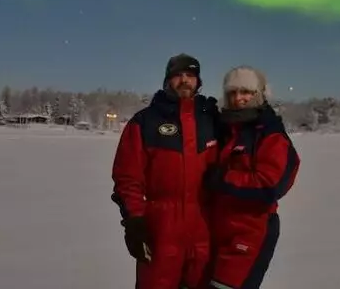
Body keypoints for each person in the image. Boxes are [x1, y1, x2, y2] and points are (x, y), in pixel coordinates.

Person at [111, 53, 221, 289]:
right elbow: (127, 177)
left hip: (205, 227)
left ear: (198, 81)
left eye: (190, 75)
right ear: (167, 81)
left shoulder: (213, 121)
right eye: (178, 75)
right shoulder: (145, 121)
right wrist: (134, 221)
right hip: (160, 230)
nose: (184, 80)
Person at [204, 66, 300, 289]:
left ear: (258, 94)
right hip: (219, 229)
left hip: (250, 233)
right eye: (232, 93)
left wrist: (225, 179)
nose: (239, 99)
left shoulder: (269, 134)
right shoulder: (230, 129)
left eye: (246, 92)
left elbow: (271, 184)